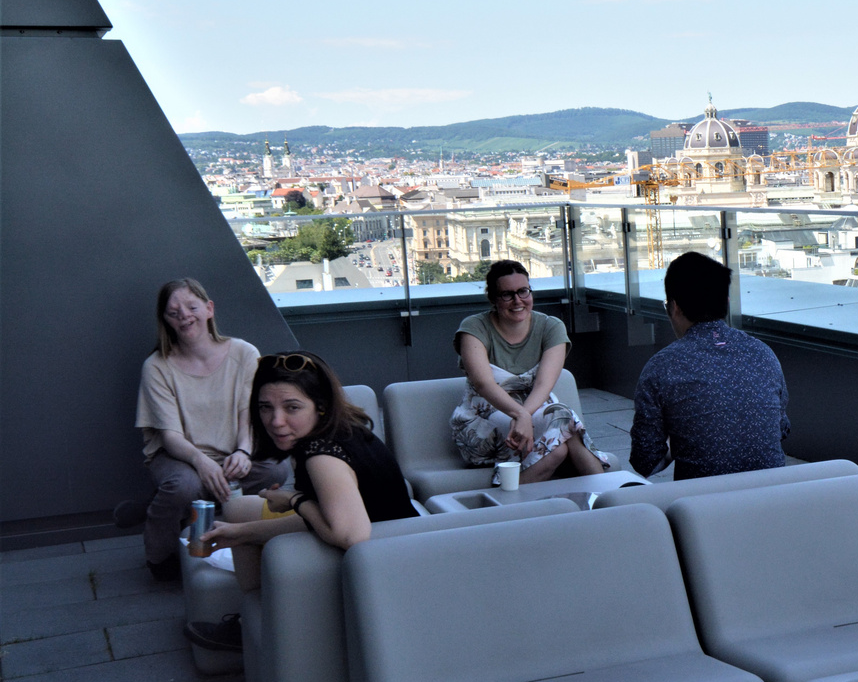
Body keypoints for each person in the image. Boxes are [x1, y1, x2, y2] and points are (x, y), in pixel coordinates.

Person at [184, 350, 418, 651]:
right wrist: (240, 534)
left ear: (319, 406)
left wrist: (294, 498)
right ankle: (253, 612)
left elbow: (351, 534)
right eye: (265, 407)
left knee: (252, 514)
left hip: (384, 554)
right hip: (388, 528)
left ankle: (263, 624)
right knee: (239, 509)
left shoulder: (321, 454)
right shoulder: (342, 427)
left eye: (291, 407)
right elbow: (326, 514)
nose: (276, 421)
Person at [135, 278, 290, 581]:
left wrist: (244, 450)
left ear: (208, 309)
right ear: (165, 320)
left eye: (191, 307)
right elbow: (169, 436)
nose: (184, 316)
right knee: (185, 486)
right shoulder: (156, 367)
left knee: (274, 471)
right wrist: (202, 463)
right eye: (173, 312)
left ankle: (245, 535)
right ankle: (160, 556)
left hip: (233, 449)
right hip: (179, 455)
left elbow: (250, 413)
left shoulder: (244, 353)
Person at [630, 252, 789, 479]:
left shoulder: (662, 366)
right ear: (726, 302)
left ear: (674, 307)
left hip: (702, 504)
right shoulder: (763, 353)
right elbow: (780, 430)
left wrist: (683, 440)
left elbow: (645, 461)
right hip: (772, 495)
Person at [452, 260, 608, 484]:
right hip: (484, 426)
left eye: (523, 291)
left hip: (537, 419)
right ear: (493, 299)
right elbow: (484, 384)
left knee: (559, 447)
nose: (517, 300)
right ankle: (605, 492)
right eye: (507, 294)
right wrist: (521, 415)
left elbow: (545, 384)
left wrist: (524, 415)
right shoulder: (474, 328)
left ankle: (507, 491)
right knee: (561, 419)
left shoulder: (550, 327)